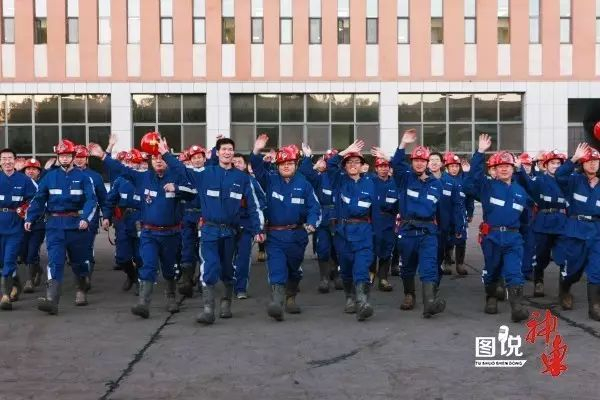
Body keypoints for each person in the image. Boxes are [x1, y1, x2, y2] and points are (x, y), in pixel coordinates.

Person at [89, 135, 197, 319]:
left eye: (162, 158)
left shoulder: (177, 176)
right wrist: (103, 156)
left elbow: (192, 191)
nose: (159, 161)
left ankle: (171, 297)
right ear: (150, 162)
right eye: (155, 159)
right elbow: (121, 168)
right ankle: (143, 303)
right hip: (149, 232)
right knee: (148, 265)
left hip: (171, 233)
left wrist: (176, 187)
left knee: (169, 268)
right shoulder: (143, 178)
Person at [161, 136, 264, 325]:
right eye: (223, 149)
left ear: (233, 153)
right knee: (210, 266)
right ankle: (208, 310)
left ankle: (226, 302)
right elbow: (182, 170)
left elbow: (253, 206)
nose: (227, 152)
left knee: (227, 269)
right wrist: (165, 154)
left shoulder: (242, 178)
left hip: (231, 232)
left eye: (230, 149)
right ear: (217, 153)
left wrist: (258, 228)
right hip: (209, 230)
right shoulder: (205, 174)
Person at [250, 136, 320, 320]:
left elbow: (314, 207)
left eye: (289, 163)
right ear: (277, 166)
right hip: (275, 235)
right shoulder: (270, 180)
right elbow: (257, 168)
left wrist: (312, 222)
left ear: (296, 165)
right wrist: (256, 151)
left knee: (294, 269)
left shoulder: (304, 184)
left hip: (297, 236)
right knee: (277, 267)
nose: (286, 166)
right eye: (282, 164)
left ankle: (291, 297)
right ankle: (277, 302)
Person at [25, 140, 98, 314]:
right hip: (54, 226)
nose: (64, 158)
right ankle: (52, 300)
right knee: (55, 262)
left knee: (79, 263)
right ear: (58, 157)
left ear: (73, 157)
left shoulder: (84, 177)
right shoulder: (49, 177)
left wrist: (85, 219)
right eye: (62, 155)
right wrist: (30, 217)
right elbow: (39, 199)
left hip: (77, 226)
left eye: (67, 155)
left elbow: (91, 200)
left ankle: (81, 289)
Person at [463, 134, 529, 322]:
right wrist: (480, 152)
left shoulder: (520, 191)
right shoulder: (487, 187)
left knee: (514, 272)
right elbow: (471, 181)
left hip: (513, 238)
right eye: (500, 166)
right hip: (491, 237)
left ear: (513, 168)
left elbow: (525, 219)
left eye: (507, 166)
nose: (504, 169)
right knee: (492, 270)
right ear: (495, 169)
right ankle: (491, 297)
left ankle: (517, 308)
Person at [387, 130, 446, 318]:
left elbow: (440, 211)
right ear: (412, 162)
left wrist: (444, 233)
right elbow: (396, 163)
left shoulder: (436, 184)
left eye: (423, 160)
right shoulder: (405, 178)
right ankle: (409, 295)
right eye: (416, 160)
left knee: (429, 267)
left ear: (427, 163)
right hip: (407, 231)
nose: (419, 163)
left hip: (428, 232)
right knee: (407, 267)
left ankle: (429, 302)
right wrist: (403, 144)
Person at [325, 140, 375, 321]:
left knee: (361, 267)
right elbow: (330, 165)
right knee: (346, 269)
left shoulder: (370, 183)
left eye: (356, 162)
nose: (353, 165)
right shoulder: (339, 181)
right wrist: (344, 151)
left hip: (363, 231)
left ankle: (362, 302)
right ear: (345, 166)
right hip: (343, 232)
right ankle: (349, 297)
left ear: (363, 166)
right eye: (349, 162)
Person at [554, 143, 600, 320]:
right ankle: (565, 289)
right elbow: (559, 175)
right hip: (576, 230)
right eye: (588, 161)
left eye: (596, 161)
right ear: (582, 163)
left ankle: (594, 307)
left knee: (596, 269)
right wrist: (573, 159)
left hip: (596, 231)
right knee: (573, 269)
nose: (593, 164)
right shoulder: (574, 180)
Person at [514, 150, 567, 297]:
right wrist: (519, 169)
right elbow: (527, 184)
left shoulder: (568, 181)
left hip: (563, 223)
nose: (555, 166)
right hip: (544, 222)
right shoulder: (539, 180)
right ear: (546, 165)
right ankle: (539, 281)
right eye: (552, 163)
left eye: (558, 163)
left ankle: (565, 290)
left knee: (565, 256)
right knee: (541, 256)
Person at [298, 146, 343, 293]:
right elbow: (304, 173)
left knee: (339, 249)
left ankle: (337, 275)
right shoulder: (319, 177)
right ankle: (324, 278)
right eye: (328, 161)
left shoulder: (343, 178)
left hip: (339, 217)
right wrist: (307, 157)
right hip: (323, 218)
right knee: (323, 249)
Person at [101, 149, 144, 295]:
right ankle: (131, 275)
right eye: (128, 162)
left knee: (140, 255)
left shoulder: (145, 179)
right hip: (123, 220)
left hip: (141, 219)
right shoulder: (120, 181)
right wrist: (106, 217)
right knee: (122, 257)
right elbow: (110, 200)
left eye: (135, 162)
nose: (131, 165)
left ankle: (140, 281)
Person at [0, 149, 38, 310]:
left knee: (9, 259)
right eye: (4, 158)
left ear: (15, 161)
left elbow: (36, 199)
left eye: (10, 158)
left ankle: (5, 296)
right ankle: (16, 285)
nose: (7, 161)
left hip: (16, 225)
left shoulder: (24, 180)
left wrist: (26, 210)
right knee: (2, 261)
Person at [232, 153, 266, 299]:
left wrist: (258, 226)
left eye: (239, 162)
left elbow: (262, 200)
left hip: (245, 225)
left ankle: (240, 288)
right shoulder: (223, 179)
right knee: (225, 258)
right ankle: (229, 282)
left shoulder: (251, 180)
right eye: (233, 162)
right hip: (227, 225)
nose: (236, 164)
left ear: (245, 165)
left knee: (243, 257)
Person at [73, 145, 107, 290]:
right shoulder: (67, 175)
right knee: (74, 249)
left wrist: (107, 216)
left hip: (90, 217)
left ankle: (86, 277)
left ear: (86, 159)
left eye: (82, 157)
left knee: (86, 247)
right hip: (71, 217)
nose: (79, 160)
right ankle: (79, 275)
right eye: (77, 157)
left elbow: (103, 198)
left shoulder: (95, 176)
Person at [177, 145, 206, 298]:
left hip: (204, 216)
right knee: (187, 247)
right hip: (188, 216)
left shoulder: (210, 173)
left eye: (199, 157)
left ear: (204, 158)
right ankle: (186, 279)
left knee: (203, 249)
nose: (197, 160)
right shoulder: (186, 172)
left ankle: (202, 279)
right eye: (194, 158)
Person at [367, 157, 398, 291]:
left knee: (387, 248)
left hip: (390, 220)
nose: (384, 169)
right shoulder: (370, 182)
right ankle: (370, 275)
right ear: (376, 168)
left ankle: (383, 278)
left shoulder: (395, 183)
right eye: (381, 167)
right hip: (374, 220)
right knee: (372, 248)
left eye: (386, 166)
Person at [18, 158, 46, 293]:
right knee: (22, 253)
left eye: (34, 169)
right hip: (21, 223)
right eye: (28, 169)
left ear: (39, 172)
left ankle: (29, 281)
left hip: (38, 224)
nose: (31, 171)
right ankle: (38, 270)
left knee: (32, 251)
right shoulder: (20, 184)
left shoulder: (43, 185)